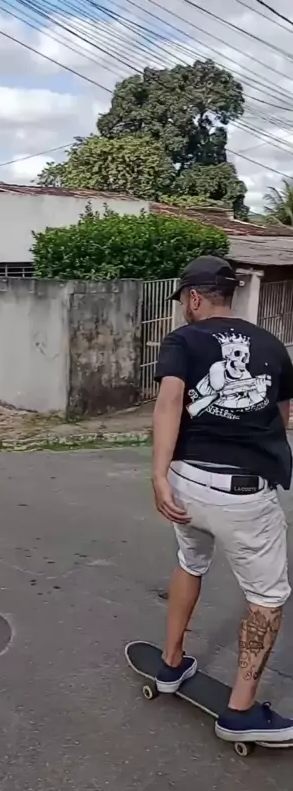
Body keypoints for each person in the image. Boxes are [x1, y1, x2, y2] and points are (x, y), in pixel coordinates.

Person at [152, 255, 293, 743]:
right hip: (243, 495)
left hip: (187, 483)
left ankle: (171, 663)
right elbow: (282, 418)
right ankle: (239, 712)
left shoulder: (183, 340)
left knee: (190, 561)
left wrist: (159, 476)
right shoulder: (273, 346)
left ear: (194, 298)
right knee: (267, 598)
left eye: (183, 301)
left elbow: (169, 403)